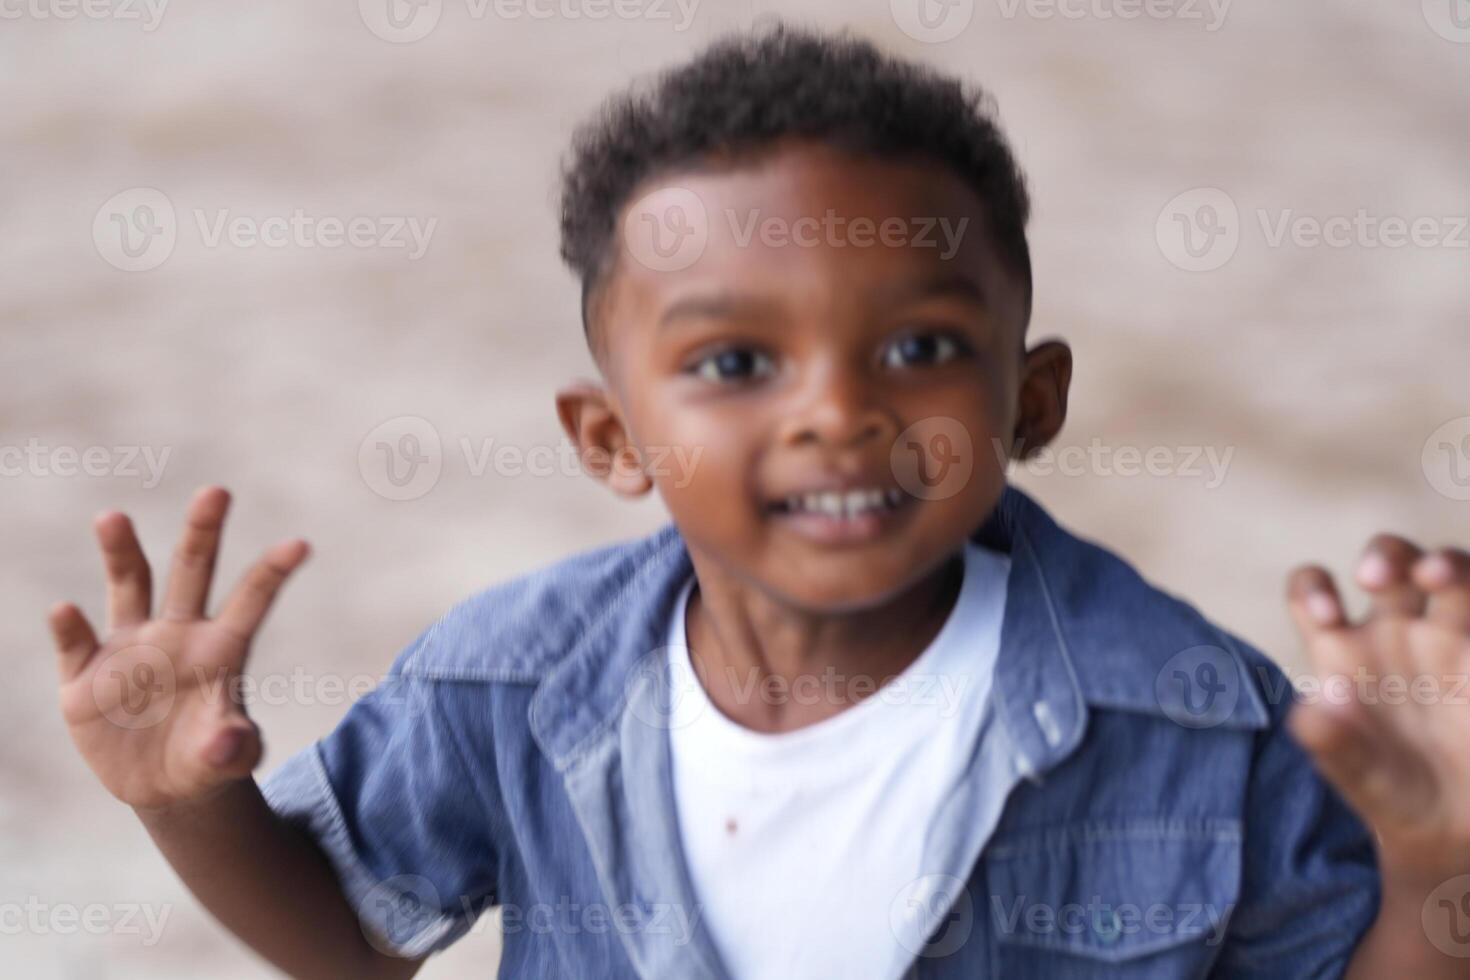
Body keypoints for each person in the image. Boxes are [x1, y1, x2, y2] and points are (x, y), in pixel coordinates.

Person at [49, 25, 1470, 979]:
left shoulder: (1190, 715)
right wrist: (190, 807)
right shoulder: (506, 683)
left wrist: (1432, 860)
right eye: (734, 361)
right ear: (613, 438)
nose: (833, 411)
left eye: (916, 348)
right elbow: (352, 938)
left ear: (1026, 402)